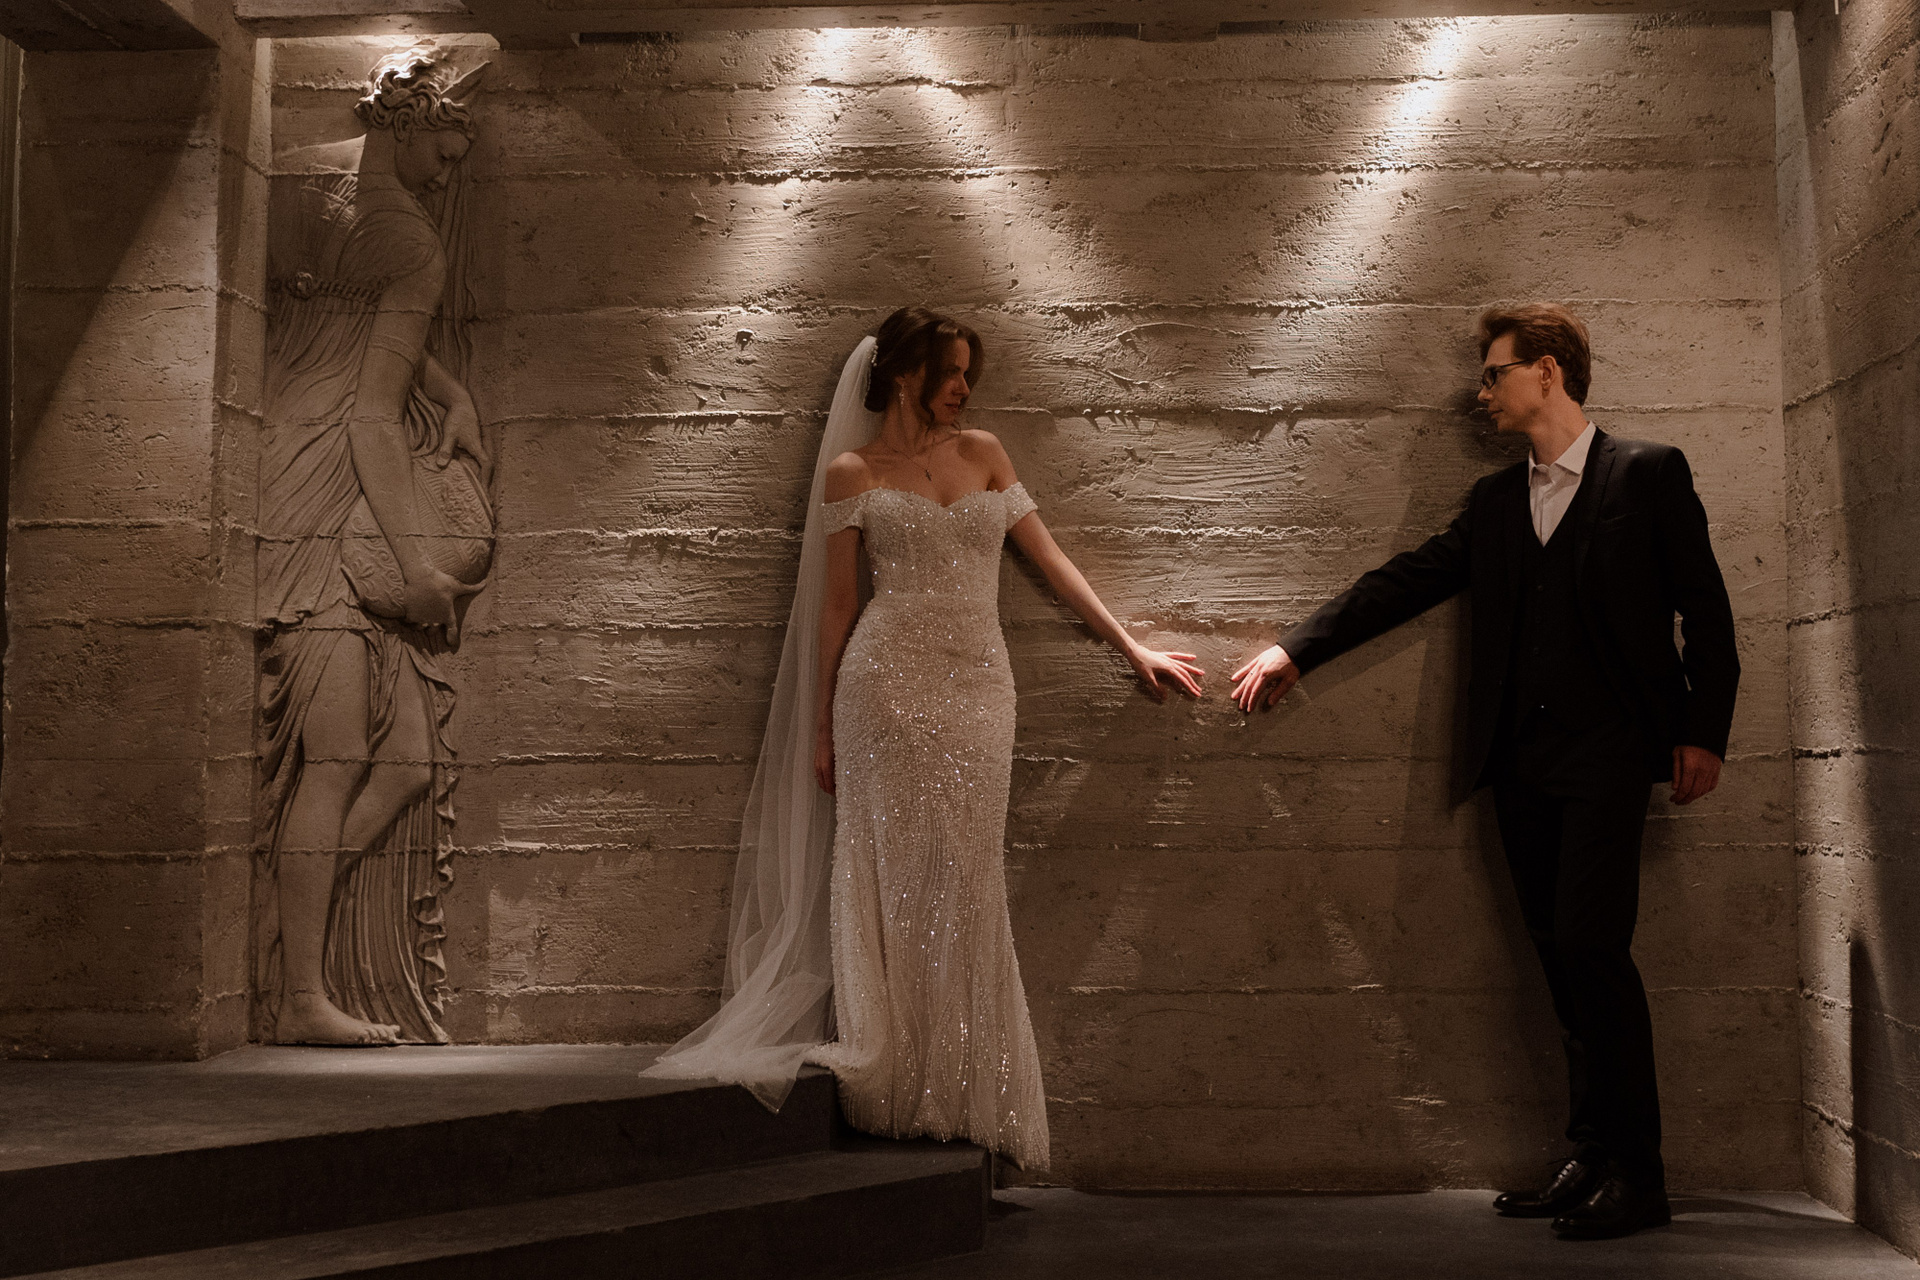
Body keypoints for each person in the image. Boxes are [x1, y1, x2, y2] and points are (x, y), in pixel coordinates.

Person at [647, 308, 1203, 1169]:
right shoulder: (852, 472)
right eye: (951, 371)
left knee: (968, 877)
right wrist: (824, 727)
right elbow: (839, 608)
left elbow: (1050, 559)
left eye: (969, 372)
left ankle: (964, 1089)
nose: (964, 388)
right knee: (890, 878)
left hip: (979, 688)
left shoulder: (984, 453)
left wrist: (1131, 646)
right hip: (885, 689)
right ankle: (900, 1078)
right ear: (906, 373)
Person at [1230, 303, 1739, 1239]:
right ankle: (1594, 1152)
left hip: (1611, 754)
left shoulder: (1648, 473)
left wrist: (1704, 733)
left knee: (1592, 948)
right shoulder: (1499, 502)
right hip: (1522, 761)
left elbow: (1705, 612)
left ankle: (1641, 1175)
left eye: (1493, 372)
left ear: (1547, 371)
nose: (1482, 392)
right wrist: (1298, 647)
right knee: (1556, 955)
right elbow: (1407, 579)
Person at [256, 50, 491, 1046]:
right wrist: (422, 565)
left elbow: (349, 326)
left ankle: (280, 933)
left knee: (402, 764)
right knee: (342, 755)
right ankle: (299, 995)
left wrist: (447, 386)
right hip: (327, 502)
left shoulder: (292, 179)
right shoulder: (412, 239)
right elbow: (369, 419)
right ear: (412, 118)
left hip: (286, 459)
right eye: (448, 145)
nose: (448, 168)